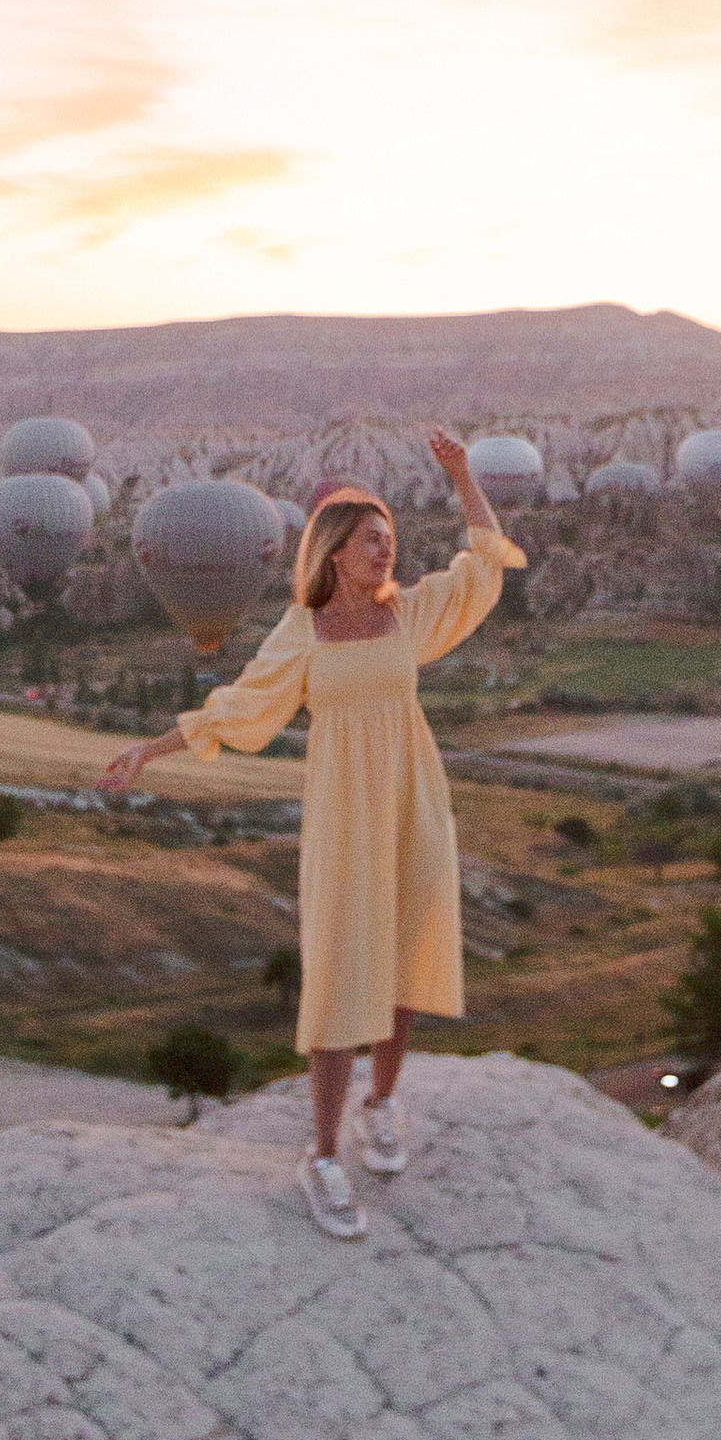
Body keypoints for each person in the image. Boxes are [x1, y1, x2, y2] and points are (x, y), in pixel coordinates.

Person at [98, 427, 521, 1239]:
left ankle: (382, 1104)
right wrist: (149, 750)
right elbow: (240, 706)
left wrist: (462, 474)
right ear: (332, 552)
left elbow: (484, 563)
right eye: (371, 540)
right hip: (344, 816)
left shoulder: (409, 614)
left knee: (403, 963)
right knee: (340, 976)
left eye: (390, 538)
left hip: (413, 800)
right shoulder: (303, 630)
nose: (386, 550)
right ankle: (323, 1155)